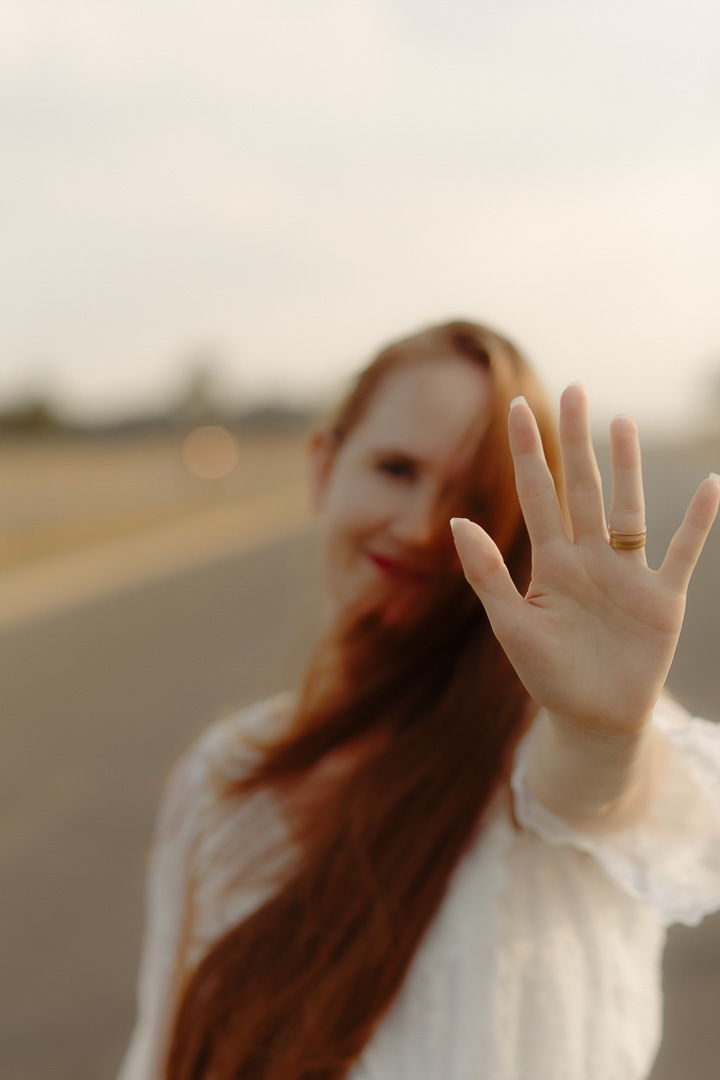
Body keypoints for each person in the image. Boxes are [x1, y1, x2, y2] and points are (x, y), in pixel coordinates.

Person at [118, 320, 720, 1080]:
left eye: (471, 499)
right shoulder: (224, 774)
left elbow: (603, 793)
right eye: (397, 469)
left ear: (512, 528)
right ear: (323, 467)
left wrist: (605, 734)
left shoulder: (544, 736)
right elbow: (163, 1049)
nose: (418, 527)